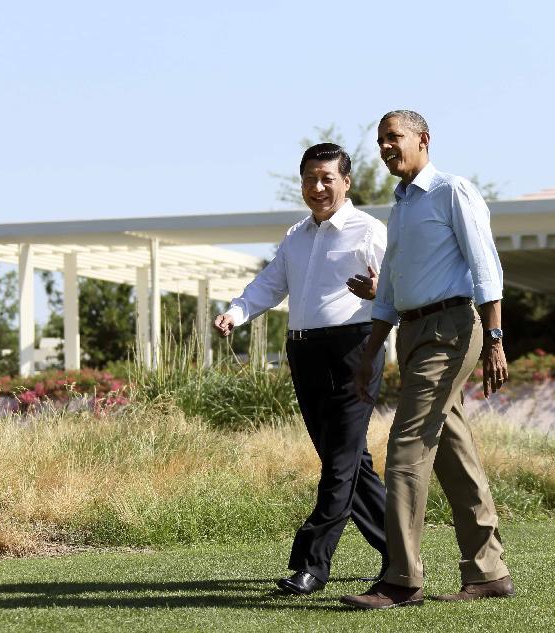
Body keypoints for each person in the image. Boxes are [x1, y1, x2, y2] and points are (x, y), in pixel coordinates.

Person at [340, 110, 514, 610]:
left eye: (394, 138)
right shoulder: (401, 206)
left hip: (452, 330)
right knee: (454, 453)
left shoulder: (452, 191)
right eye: (380, 141)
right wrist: (371, 351)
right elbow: (390, 285)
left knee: (407, 446)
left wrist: (496, 339)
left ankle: (401, 580)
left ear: (423, 139)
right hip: (414, 333)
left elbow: (486, 267)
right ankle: (488, 572)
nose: (386, 148)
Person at [213, 143, 389, 596]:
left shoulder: (370, 231)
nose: (318, 187)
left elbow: (399, 289)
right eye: (310, 179)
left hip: (356, 351)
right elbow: (271, 283)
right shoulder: (296, 235)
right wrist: (236, 312)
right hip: (305, 354)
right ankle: (400, 551)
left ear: (347, 182)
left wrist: (378, 291)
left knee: (339, 465)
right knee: (349, 463)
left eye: (327, 178)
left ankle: (311, 564)